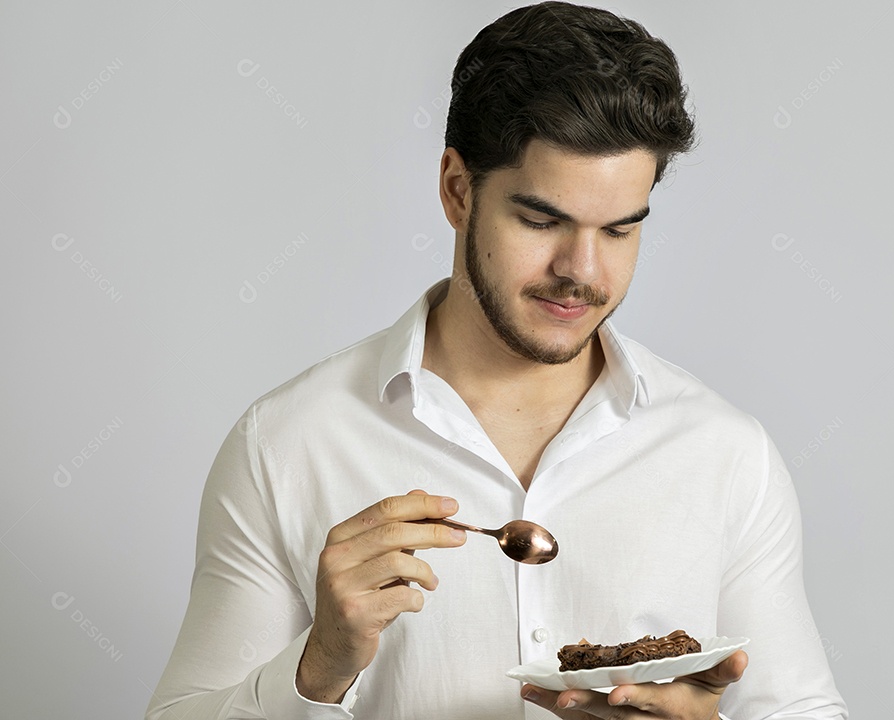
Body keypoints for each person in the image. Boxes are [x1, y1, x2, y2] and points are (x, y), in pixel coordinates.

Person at [147, 3, 848, 719]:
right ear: (457, 190)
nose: (582, 270)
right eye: (542, 221)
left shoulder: (726, 455)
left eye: (618, 229)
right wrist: (318, 665)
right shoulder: (288, 444)